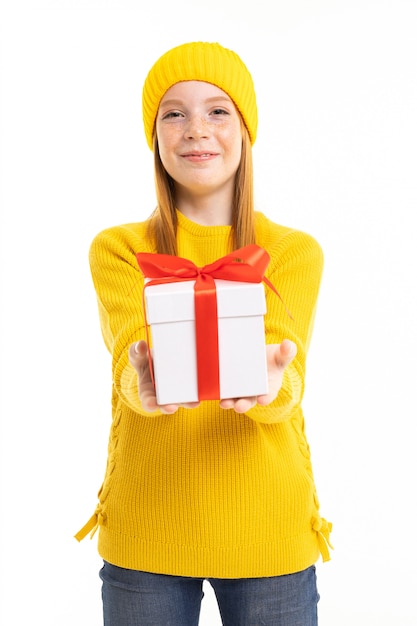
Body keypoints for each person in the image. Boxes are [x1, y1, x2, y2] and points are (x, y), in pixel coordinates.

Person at [75, 41, 333, 625]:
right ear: (156, 135)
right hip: (149, 527)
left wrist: (272, 386)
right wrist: (139, 383)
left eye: (218, 111)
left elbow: (289, 370)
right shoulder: (119, 249)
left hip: (267, 525)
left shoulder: (293, 252)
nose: (197, 129)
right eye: (175, 113)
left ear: (245, 130)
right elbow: (128, 349)